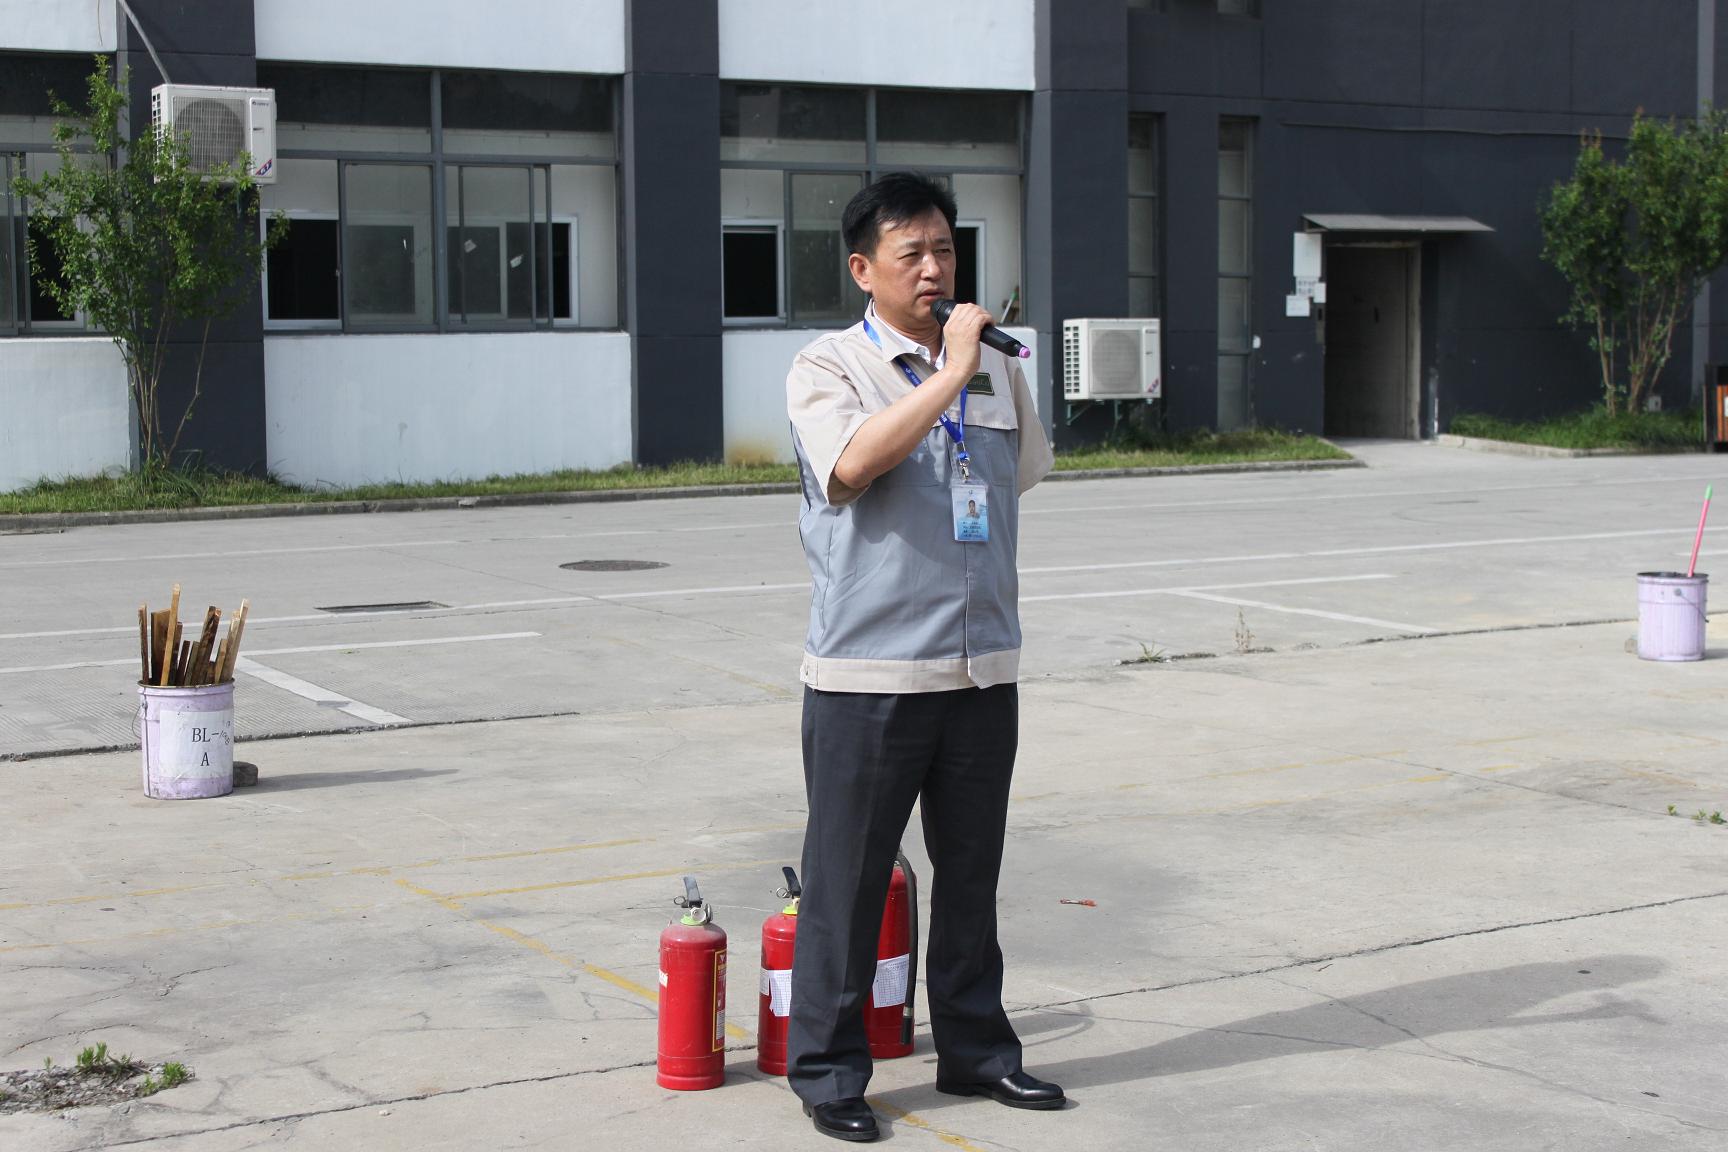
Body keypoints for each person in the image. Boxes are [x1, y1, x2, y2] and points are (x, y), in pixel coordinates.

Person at [783, 171, 1060, 1143]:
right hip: (871, 675)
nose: (936, 269)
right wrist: (947, 373)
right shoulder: (828, 366)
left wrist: (970, 369)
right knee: (847, 883)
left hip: (981, 669)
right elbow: (853, 466)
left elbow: (1023, 474)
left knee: (972, 876)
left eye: (946, 249)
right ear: (865, 269)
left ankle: (978, 1051)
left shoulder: (995, 368)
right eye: (914, 254)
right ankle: (828, 1072)